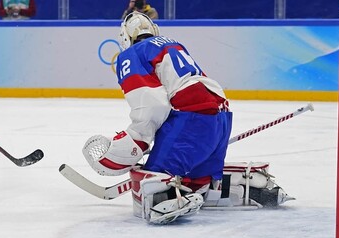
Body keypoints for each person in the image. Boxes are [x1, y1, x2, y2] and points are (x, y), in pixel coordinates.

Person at [82, 12, 232, 224]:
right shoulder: (172, 44)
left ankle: (171, 191)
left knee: (152, 184)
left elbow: (152, 103)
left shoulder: (131, 54)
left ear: (125, 37)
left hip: (194, 118)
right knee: (196, 177)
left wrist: (136, 140)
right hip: (222, 117)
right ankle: (205, 183)